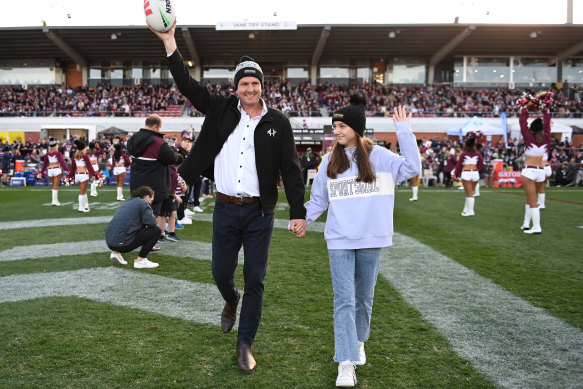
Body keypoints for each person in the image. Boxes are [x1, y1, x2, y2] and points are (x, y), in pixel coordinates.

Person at [150, 20, 306, 374]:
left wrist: (298, 212)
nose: (249, 88)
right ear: (235, 88)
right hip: (224, 207)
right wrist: (170, 41)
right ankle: (230, 299)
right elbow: (186, 84)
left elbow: (292, 170)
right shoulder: (220, 109)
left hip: (259, 213)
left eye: (255, 83)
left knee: (256, 278)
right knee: (222, 274)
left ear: (262, 87)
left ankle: (245, 343)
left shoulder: (278, 122)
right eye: (244, 83)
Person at [297, 97, 421, 387]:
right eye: (335, 126)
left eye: (341, 126)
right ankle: (345, 361)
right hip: (339, 239)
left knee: (364, 298)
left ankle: (358, 341)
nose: (336, 131)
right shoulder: (329, 161)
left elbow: (413, 168)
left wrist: (404, 131)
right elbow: (318, 200)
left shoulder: (380, 157)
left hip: (371, 238)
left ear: (356, 128)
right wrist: (303, 219)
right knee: (344, 300)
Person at [126, 114, 184, 240]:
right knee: (152, 215)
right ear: (155, 126)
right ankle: (145, 243)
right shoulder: (158, 142)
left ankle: (134, 238)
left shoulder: (132, 139)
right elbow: (172, 159)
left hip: (137, 183)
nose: (159, 131)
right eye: (158, 128)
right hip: (155, 186)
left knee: (138, 213)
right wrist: (173, 150)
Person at [105, 185, 161, 269]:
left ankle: (116, 253)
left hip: (109, 242)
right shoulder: (144, 203)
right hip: (122, 244)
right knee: (156, 231)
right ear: (147, 196)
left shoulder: (127, 201)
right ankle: (141, 261)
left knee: (129, 227)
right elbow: (152, 223)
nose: (153, 199)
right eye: (152, 197)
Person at [519, 102, 551, 234]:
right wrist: (545, 110)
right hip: (540, 172)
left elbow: (522, 123)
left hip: (529, 171)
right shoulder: (547, 138)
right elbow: (548, 124)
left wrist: (524, 108)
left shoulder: (529, 138)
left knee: (532, 200)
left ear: (532, 128)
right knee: (531, 199)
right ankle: (526, 224)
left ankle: (536, 227)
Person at [454, 135, 483, 216]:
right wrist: (477, 171)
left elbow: (459, 166)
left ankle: (471, 211)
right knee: (470, 193)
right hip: (475, 173)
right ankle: (466, 209)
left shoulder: (463, 154)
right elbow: (481, 166)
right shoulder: (478, 154)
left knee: (469, 194)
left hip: (466, 174)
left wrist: (456, 174)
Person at [68, 140, 99, 212]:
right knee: (82, 192)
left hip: (77, 176)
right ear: (83, 148)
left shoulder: (75, 156)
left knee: (83, 191)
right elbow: (89, 167)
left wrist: (70, 175)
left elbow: (72, 168)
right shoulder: (85, 156)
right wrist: (95, 175)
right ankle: (81, 208)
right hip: (84, 176)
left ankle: (86, 206)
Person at [40, 138, 68, 205]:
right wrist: (67, 170)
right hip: (56, 170)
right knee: (55, 186)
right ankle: (54, 201)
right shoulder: (58, 153)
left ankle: (55, 200)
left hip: (50, 171)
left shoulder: (47, 154)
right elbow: (62, 163)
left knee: (54, 186)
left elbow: (44, 164)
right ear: (56, 146)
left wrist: (41, 171)